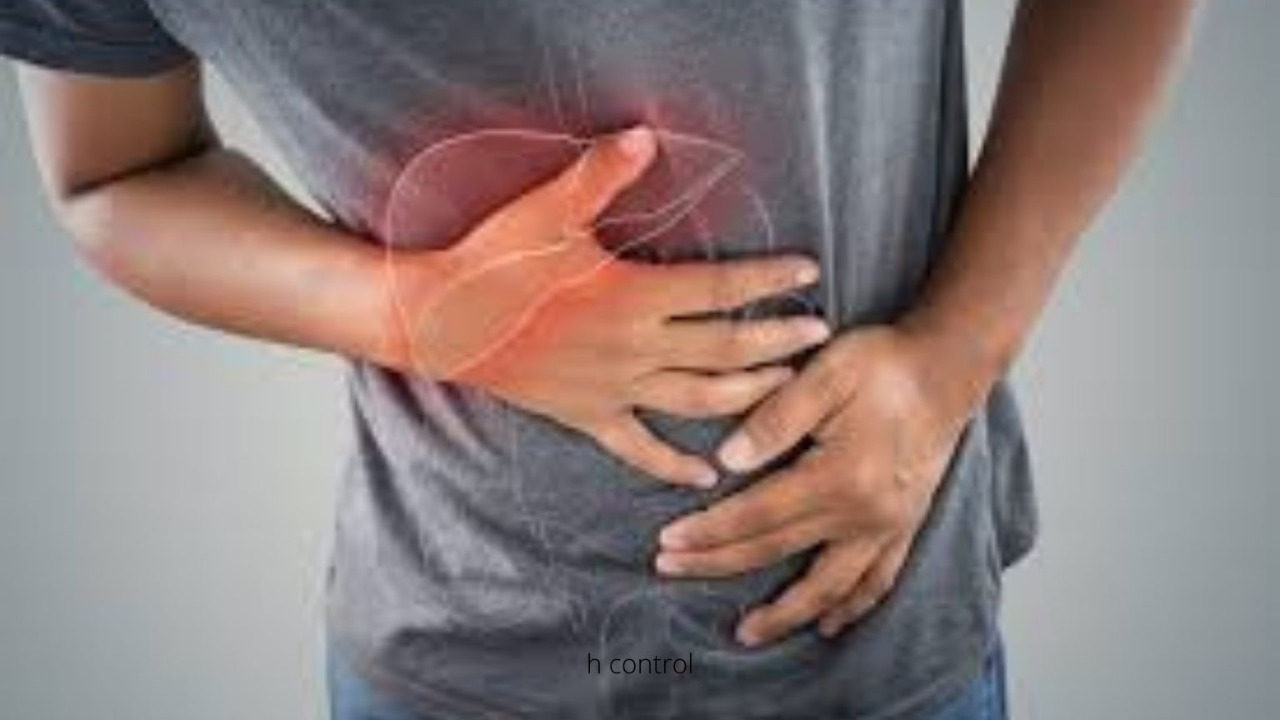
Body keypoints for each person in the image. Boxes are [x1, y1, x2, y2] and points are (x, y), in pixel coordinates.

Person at [0, 1, 1196, 718]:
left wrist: (953, 356)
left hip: (877, 651)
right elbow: (113, 176)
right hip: (447, 655)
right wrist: (406, 311)